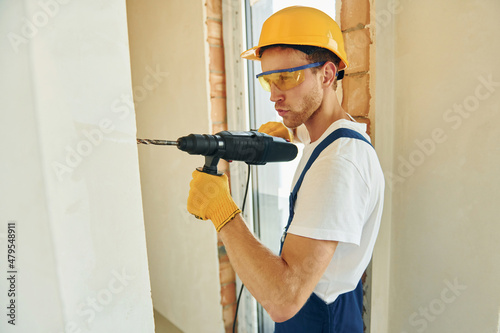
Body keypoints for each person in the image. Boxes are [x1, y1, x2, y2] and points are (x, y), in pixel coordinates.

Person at [187, 6, 384, 332]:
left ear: (327, 74)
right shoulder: (333, 135)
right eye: (267, 81)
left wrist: (223, 213)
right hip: (326, 306)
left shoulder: (338, 164)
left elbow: (283, 298)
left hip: (319, 319)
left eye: (286, 78)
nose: (274, 96)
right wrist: (290, 133)